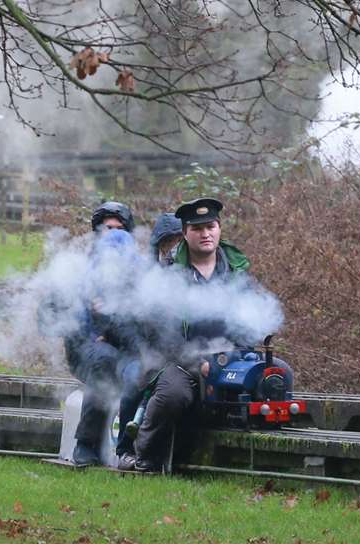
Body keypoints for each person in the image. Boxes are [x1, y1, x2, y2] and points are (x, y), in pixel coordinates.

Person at [119, 196, 264, 472]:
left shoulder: (238, 272)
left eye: (210, 226)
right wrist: (196, 361)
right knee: (173, 394)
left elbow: (251, 318)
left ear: (219, 228)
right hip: (179, 362)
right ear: (185, 233)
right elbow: (159, 331)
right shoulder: (169, 274)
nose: (205, 233)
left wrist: (241, 352)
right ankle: (144, 456)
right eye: (197, 228)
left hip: (228, 359)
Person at [60, 202, 144, 466]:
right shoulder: (79, 267)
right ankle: (85, 444)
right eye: (108, 228)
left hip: (127, 346)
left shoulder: (139, 269)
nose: (114, 234)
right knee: (102, 361)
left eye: (120, 229)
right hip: (85, 347)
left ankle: (131, 449)